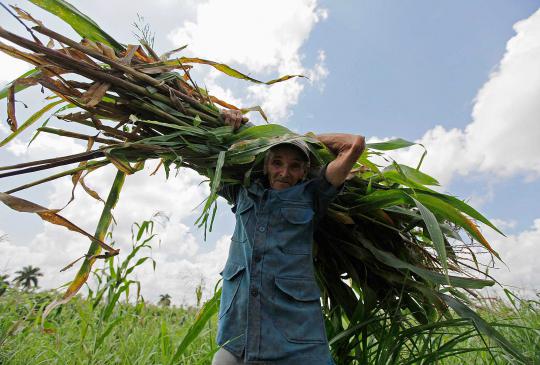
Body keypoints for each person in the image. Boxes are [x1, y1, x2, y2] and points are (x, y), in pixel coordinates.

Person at [213, 109, 365, 365]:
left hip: (294, 335)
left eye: (295, 166)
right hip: (239, 331)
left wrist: (303, 139)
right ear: (265, 164)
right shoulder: (241, 191)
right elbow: (212, 156)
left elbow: (355, 144)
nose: (284, 172)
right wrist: (228, 121)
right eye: (277, 162)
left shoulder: (313, 195)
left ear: (305, 172)